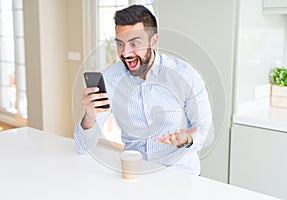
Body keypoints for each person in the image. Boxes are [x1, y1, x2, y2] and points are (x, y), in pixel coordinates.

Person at [74, 4, 212, 175]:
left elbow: (205, 130)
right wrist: (89, 116)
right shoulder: (110, 78)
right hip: (134, 174)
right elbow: (82, 146)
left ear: (153, 41)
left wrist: (187, 139)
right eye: (120, 44)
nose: (125, 53)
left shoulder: (185, 76)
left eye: (134, 44)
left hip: (180, 174)